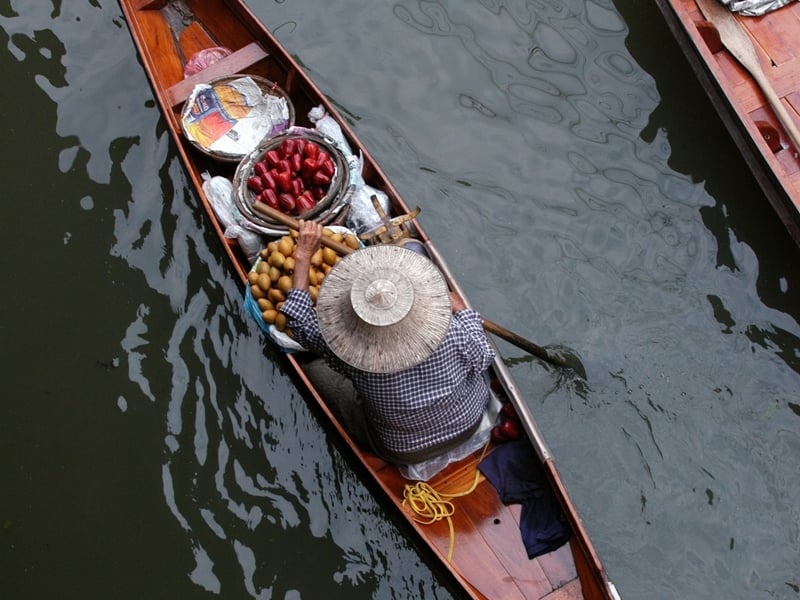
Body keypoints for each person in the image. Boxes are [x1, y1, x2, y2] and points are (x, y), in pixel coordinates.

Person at [279, 220, 497, 472]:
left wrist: (304, 254)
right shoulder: (450, 327)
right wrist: (463, 312)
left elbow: (299, 323)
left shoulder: (353, 356)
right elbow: (484, 357)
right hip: (468, 420)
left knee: (315, 368)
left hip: (404, 449)